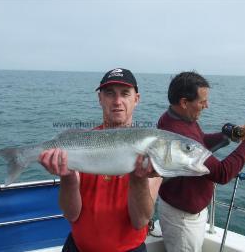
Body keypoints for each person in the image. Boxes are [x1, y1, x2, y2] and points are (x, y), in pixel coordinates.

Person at [39, 68, 162, 252]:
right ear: (100, 99)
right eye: (110, 93)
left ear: (136, 99)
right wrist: (68, 176)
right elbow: (71, 214)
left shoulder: (151, 150)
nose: (117, 101)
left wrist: (138, 179)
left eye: (125, 93)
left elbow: (140, 221)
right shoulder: (79, 145)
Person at [157, 71, 245, 252]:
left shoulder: (175, 117)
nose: (207, 106)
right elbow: (222, 174)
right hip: (183, 221)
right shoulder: (179, 131)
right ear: (184, 102)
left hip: (182, 210)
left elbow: (200, 141)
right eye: (202, 101)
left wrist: (226, 135)